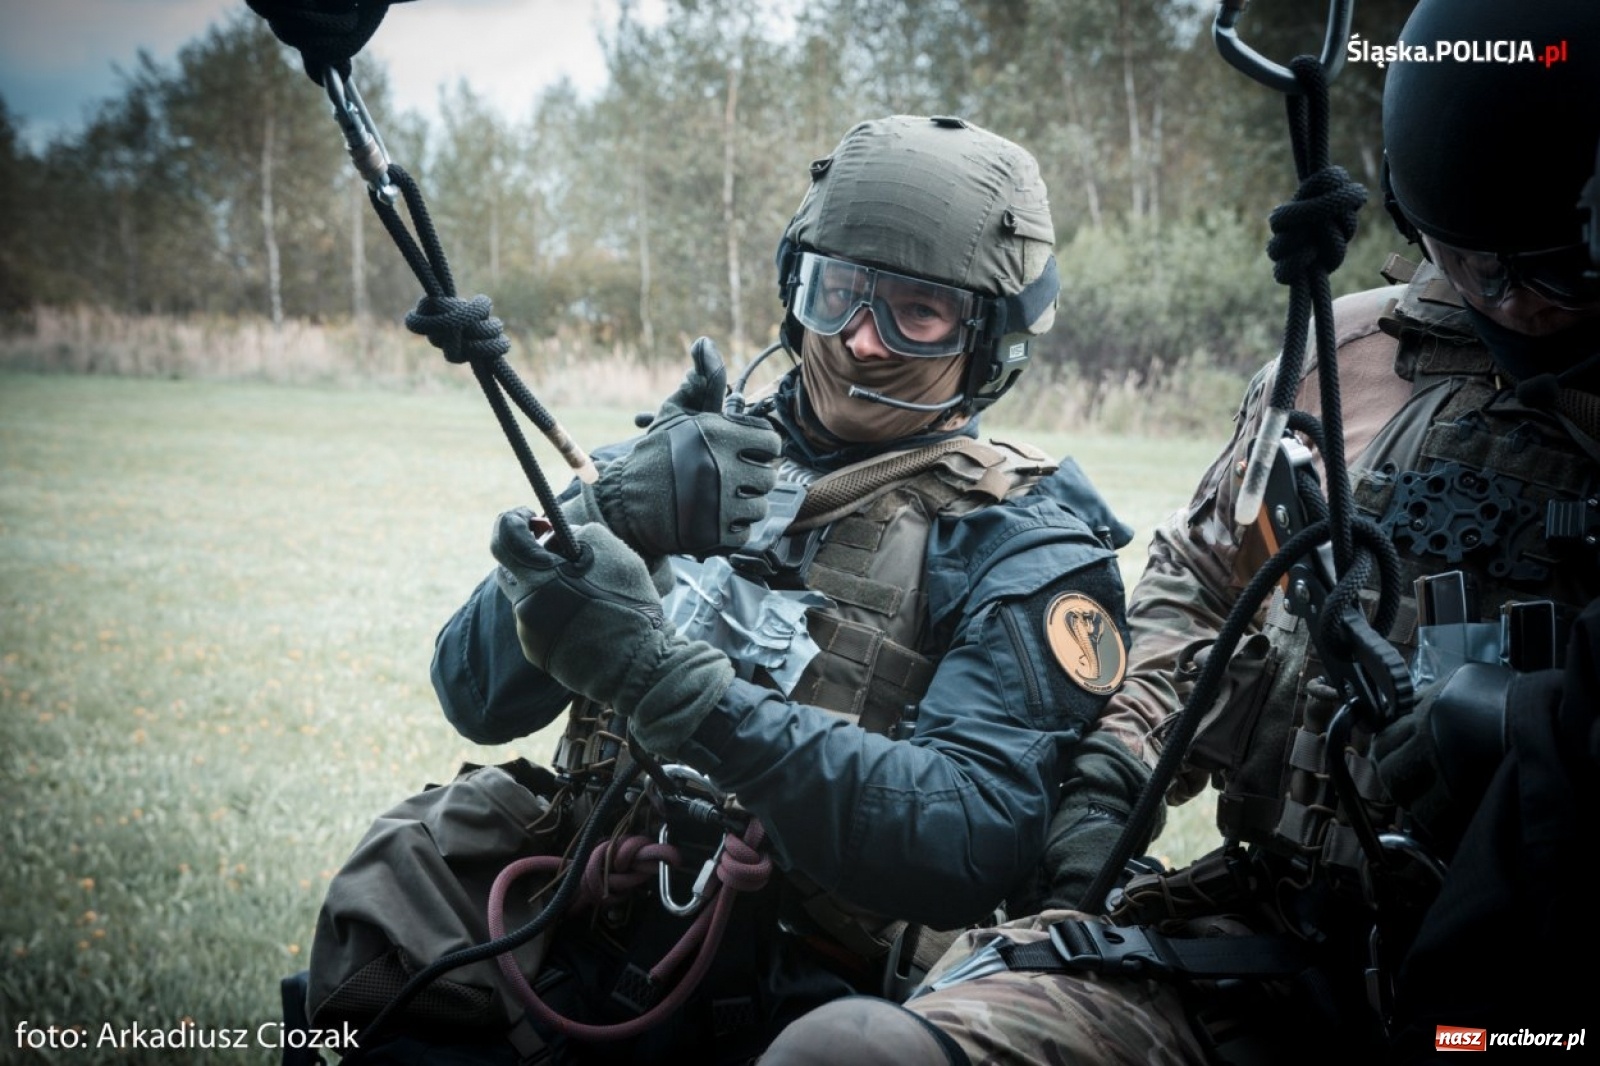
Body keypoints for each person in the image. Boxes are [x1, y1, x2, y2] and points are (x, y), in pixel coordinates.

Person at [759, 1, 1600, 1063]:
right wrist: (1115, 769)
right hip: (1270, 948)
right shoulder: (1336, 363)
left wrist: (1527, 728)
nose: (1505, 305)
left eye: (1543, 276)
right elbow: (1203, 583)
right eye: (1470, 264)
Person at [321, 115, 1145, 1064]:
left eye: (917, 310)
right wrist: (612, 511)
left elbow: (970, 837)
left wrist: (683, 696)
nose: (862, 341)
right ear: (797, 287)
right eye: (838, 291)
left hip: (822, 985)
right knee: (381, 950)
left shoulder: (1026, 540)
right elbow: (470, 693)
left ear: (989, 336)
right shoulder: (696, 452)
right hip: (588, 913)